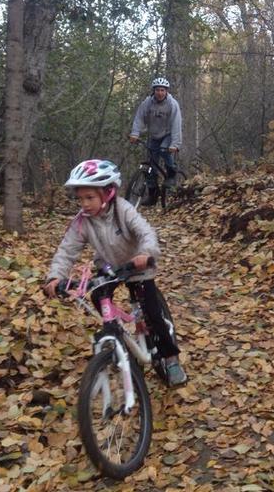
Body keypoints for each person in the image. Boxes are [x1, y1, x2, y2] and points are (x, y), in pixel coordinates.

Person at [43, 159, 187, 386]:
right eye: (80, 199)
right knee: (98, 297)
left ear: (108, 193)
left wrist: (146, 253)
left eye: (90, 198)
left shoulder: (123, 210)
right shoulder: (82, 222)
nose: (84, 204)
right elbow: (67, 249)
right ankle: (121, 335)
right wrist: (55, 276)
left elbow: (145, 232)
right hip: (109, 269)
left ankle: (171, 358)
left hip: (137, 267)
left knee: (153, 314)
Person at [129, 76, 183, 206]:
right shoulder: (147, 103)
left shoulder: (172, 104)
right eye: (157, 90)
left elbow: (177, 124)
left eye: (162, 90)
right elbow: (139, 118)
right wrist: (135, 134)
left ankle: (171, 173)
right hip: (154, 135)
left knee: (165, 151)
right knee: (152, 167)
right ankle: (153, 195)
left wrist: (175, 144)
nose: (160, 93)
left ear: (166, 92)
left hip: (168, 134)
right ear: (154, 91)